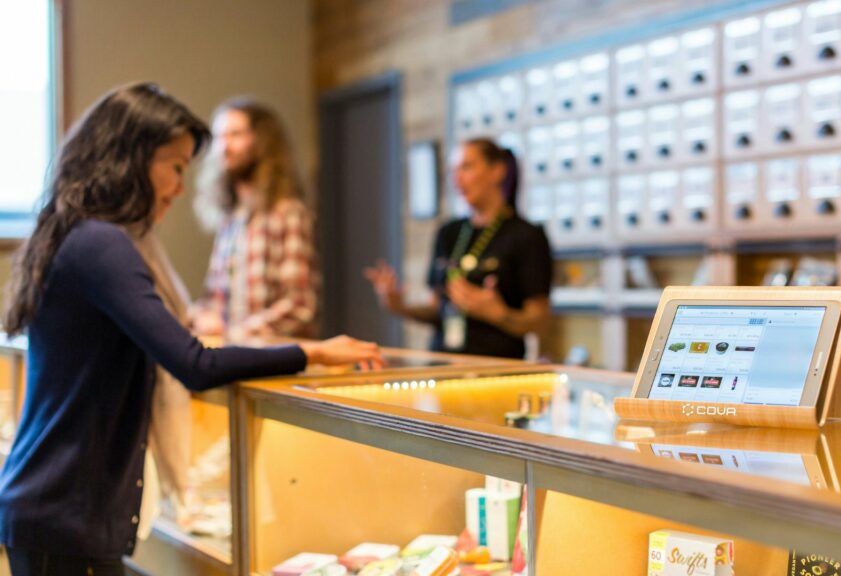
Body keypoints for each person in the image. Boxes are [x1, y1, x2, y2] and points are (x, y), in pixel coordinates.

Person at [0, 83, 382, 575]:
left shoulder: (81, 235)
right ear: (133, 158)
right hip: (64, 514)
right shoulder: (101, 245)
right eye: (176, 166)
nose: (181, 187)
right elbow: (194, 363)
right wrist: (313, 352)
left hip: (59, 511)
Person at [364, 138, 553, 359]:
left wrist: (498, 314)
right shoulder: (449, 232)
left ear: (497, 171)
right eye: (453, 171)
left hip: (496, 370)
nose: (457, 179)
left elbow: (539, 321)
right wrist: (397, 305)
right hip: (443, 366)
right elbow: (436, 310)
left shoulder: (526, 236)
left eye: (467, 167)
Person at [192, 97, 318, 340]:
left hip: (276, 364)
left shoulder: (287, 213)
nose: (224, 147)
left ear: (262, 141)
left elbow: (298, 307)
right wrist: (198, 316)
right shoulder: (231, 218)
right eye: (220, 137)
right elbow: (214, 299)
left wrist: (232, 332)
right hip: (235, 360)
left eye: (235, 135)